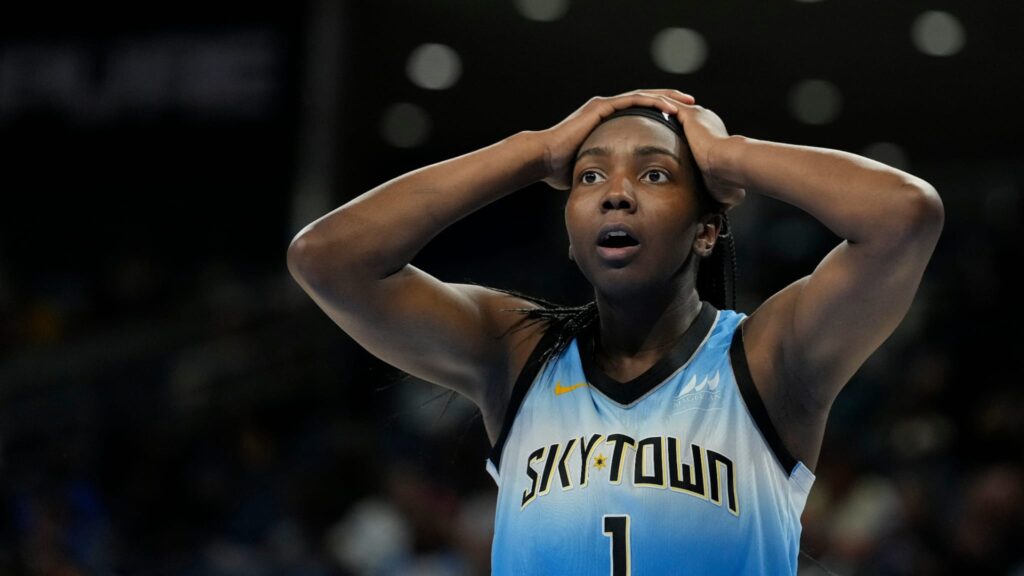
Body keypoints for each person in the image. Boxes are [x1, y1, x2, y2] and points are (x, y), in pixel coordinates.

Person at [286, 89, 944, 574]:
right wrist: (535, 150)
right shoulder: (516, 355)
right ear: (572, 231)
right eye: (590, 175)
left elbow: (904, 216)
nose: (616, 193)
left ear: (708, 228)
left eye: (655, 174)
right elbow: (326, 258)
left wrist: (726, 155)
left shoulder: (768, 359)